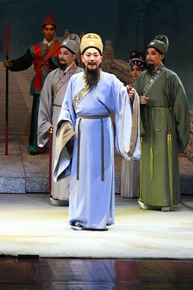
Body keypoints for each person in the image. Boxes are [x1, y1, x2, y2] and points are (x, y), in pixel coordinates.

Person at [53, 33, 139, 230]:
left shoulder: (111, 80)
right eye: (88, 55)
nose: (92, 59)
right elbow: (67, 107)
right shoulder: (75, 81)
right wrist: (65, 126)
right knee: (80, 176)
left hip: (102, 131)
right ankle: (79, 217)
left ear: (101, 58)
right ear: (82, 58)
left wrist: (130, 96)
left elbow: (123, 99)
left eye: (95, 55)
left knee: (101, 174)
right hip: (81, 132)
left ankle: (100, 219)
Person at [133, 34, 190, 211]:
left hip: (164, 124)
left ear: (162, 56)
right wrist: (137, 100)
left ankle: (165, 200)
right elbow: (132, 98)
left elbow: (181, 105)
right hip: (146, 121)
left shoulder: (171, 77)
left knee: (163, 163)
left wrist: (181, 132)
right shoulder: (141, 77)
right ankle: (148, 199)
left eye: (153, 53)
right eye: (148, 53)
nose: (149, 57)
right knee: (147, 162)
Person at [4, 11, 61, 155]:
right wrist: (11, 64)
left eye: (51, 29)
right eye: (47, 29)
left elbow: (70, 65)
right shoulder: (34, 48)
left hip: (57, 86)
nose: (49, 31)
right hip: (40, 85)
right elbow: (23, 62)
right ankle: (37, 145)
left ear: (55, 31)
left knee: (57, 115)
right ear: (43, 30)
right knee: (38, 115)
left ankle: (56, 146)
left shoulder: (61, 48)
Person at [36, 34, 82, 206]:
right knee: (59, 155)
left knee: (75, 155)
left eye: (65, 53)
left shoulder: (82, 75)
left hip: (75, 119)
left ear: (74, 56)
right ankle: (58, 194)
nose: (61, 56)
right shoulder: (52, 76)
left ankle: (75, 195)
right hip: (57, 117)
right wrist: (46, 124)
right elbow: (44, 102)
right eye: (60, 53)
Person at [120, 50, 145, 199]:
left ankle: (141, 189)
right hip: (130, 127)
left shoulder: (145, 86)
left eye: (138, 70)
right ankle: (130, 189)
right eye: (133, 70)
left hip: (141, 126)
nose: (135, 72)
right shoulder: (127, 87)